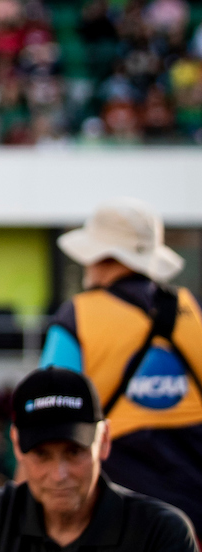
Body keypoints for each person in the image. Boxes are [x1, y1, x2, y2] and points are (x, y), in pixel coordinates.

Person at [39, 199, 202, 529]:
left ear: (100, 258)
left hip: (117, 511)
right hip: (194, 510)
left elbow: (45, 417)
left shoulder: (77, 315)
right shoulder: (191, 309)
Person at [0, 367, 197, 552]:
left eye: (74, 452)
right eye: (42, 455)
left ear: (104, 440)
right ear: (16, 444)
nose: (59, 474)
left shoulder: (159, 532)